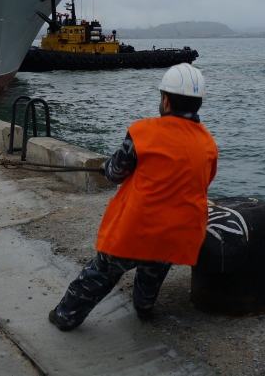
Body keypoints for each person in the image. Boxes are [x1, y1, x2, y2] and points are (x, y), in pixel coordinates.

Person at [48, 63, 218, 331]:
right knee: (154, 269)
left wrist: (107, 165)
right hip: (177, 233)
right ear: (199, 103)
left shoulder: (142, 132)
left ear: (165, 99)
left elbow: (115, 173)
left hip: (136, 229)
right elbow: (202, 181)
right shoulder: (208, 142)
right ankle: (144, 308)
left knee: (100, 273)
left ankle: (66, 316)